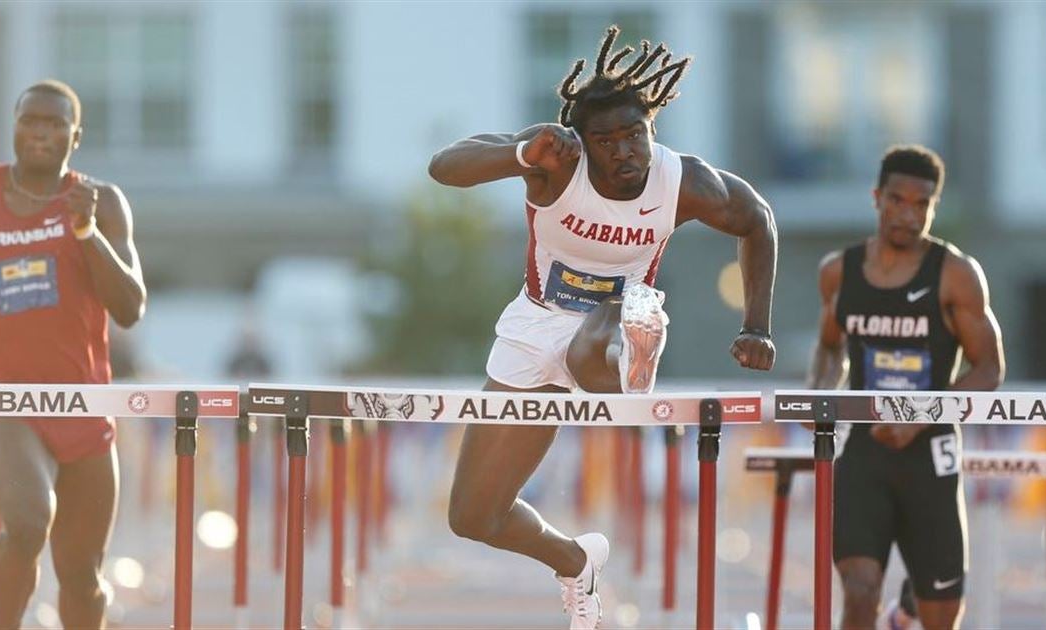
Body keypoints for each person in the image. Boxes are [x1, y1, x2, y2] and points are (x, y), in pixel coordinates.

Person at [429, 26, 777, 629]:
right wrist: (519, 154)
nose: (623, 153)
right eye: (606, 141)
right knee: (473, 517)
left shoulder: (683, 181)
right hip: (535, 322)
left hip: (616, 320)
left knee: (595, 356)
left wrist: (757, 326)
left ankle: (636, 349)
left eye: (633, 136)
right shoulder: (555, 165)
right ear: (582, 145)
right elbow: (443, 168)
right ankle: (576, 560)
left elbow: (758, 220)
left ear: (652, 132)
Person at [0, 79, 147, 629]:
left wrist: (85, 230)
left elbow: (130, 308)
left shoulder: (100, 201)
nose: (41, 133)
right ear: (15, 125)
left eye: (54, 124)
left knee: (83, 576)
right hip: (2, 402)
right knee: (26, 522)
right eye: (30, 121)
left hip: (81, 405)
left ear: (76, 136)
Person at [808, 145, 1005, 630]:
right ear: (877, 198)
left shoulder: (956, 275)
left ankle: (907, 614)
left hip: (930, 452)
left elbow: (989, 369)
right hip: (864, 454)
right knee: (858, 590)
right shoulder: (839, 272)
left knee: (941, 616)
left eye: (923, 204)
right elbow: (830, 347)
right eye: (898, 200)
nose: (909, 214)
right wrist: (821, 393)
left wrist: (922, 416)